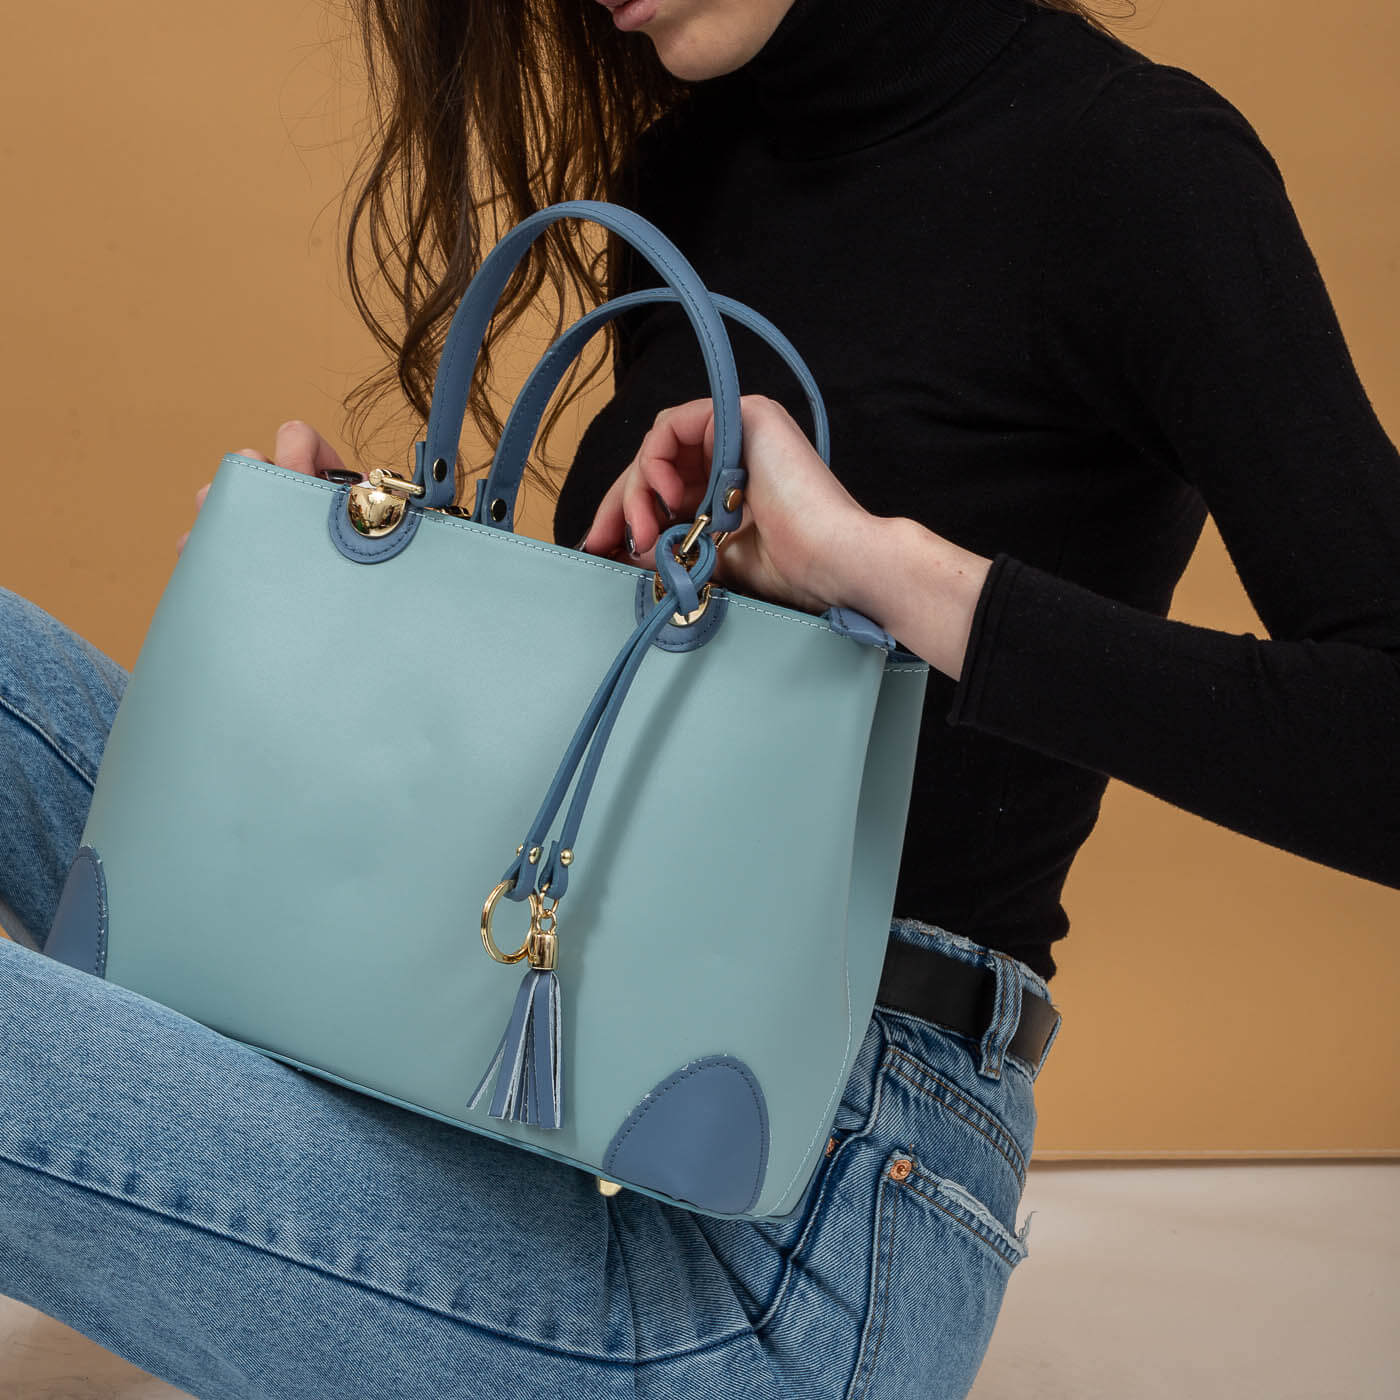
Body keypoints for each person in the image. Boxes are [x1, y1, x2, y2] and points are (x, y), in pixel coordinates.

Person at [2, 2, 1396, 1398]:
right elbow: (620, 764)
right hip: (526, 1049)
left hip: (796, 1234)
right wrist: (347, 621)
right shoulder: (691, 172)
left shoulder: (1136, 163)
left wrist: (888, 573)